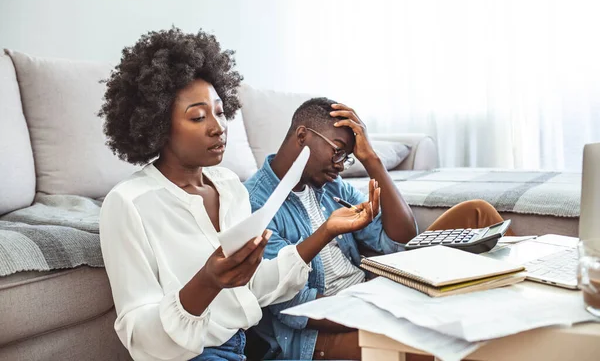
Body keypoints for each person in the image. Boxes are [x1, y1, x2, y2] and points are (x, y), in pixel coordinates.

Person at [97, 28, 381, 361]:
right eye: (198, 117)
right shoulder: (128, 203)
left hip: (245, 347)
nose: (218, 126)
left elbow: (255, 288)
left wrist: (326, 231)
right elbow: (141, 338)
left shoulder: (229, 186)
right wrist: (207, 280)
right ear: (157, 123)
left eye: (220, 112)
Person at [244, 97, 507, 360]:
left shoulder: (330, 186)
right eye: (337, 151)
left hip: (372, 293)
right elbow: (294, 307)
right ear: (302, 135)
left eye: (346, 158)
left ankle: (523, 311)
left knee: (477, 213)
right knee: (433, 344)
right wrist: (382, 309)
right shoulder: (255, 204)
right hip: (322, 333)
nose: (339, 165)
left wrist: (371, 160)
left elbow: (401, 242)